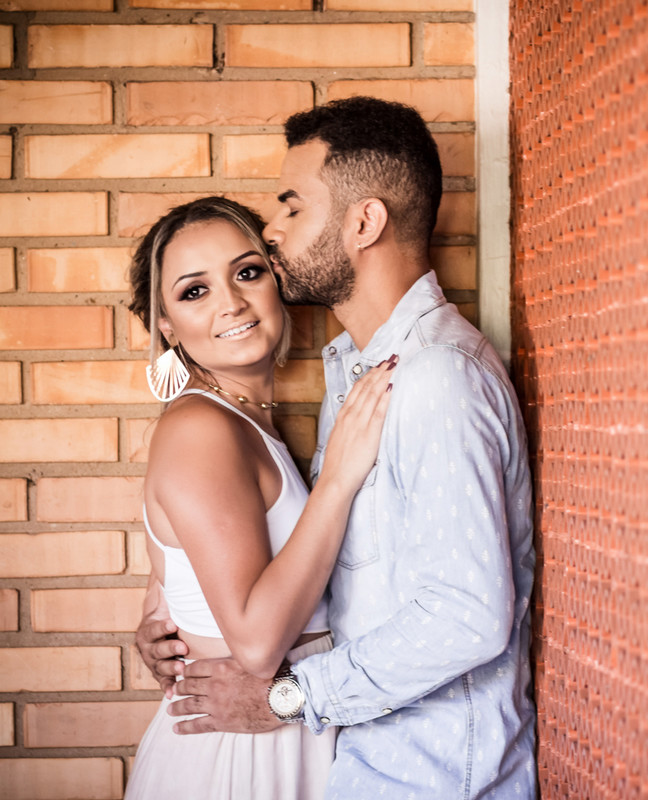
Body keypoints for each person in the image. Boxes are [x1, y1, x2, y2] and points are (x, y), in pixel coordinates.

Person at [135, 97, 538, 798]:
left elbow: (467, 616)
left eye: (292, 208)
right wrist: (170, 613)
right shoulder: (354, 375)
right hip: (343, 758)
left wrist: (290, 697)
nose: (273, 230)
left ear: (363, 222)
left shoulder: (435, 377)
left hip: (428, 775)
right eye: (195, 291)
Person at [124, 196, 394, 799]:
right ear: (167, 326)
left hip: (282, 731)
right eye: (194, 292)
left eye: (246, 272)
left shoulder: (243, 423)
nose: (232, 302)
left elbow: (175, 589)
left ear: (276, 281)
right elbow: (254, 643)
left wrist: (159, 628)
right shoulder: (201, 429)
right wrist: (340, 479)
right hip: (239, 757)